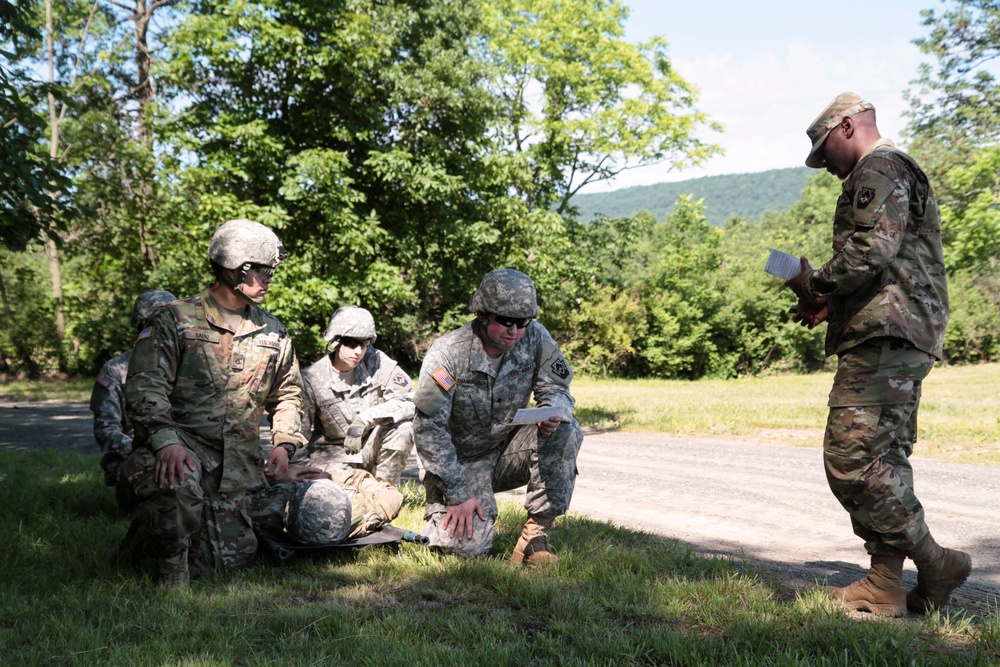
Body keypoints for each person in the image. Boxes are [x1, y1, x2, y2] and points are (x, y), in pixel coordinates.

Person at [786, 93, 971, 616]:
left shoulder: (880, 167)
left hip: (888, 335)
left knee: (850, 459)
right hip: (899, 330)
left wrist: (815, 281)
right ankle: (885, 584)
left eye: (825, 153)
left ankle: (936, 563)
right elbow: (890, 261)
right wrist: (833, 304)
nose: (824, 167)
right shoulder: (892, 169)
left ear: (847, 127)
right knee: (886, 459)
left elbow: (873, 249)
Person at [117, 218, 307, 586]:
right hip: (180, 454)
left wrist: (285, 444)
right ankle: (171, 572)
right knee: (179, 480)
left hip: (237, 466)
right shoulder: (176, 319)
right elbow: (144, 388)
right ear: (237, 269)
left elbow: (288, 393)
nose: (270, 278)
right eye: (264, 270)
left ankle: (151, 539)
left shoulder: (273, 330)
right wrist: (166, 441)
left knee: (226, 562)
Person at [413, 268, 583, 565]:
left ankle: (535, 537)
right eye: (505, 321)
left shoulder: (535, 338)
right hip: (459, 463)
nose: (514, 330)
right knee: (465, 548)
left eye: (522, 322)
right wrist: (456, 495)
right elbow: (429, 429)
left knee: (566, 429)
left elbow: (557, 388)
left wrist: (552, 411)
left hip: (506, 450)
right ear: (482, 314)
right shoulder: (448, 353)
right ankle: (448, 512)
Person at [299, 306, 416, 486]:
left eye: (365, 343)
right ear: (335, 342)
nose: (358, 351)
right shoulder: (312, 378)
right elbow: (299, 435)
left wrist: (365, 418)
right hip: (333, 457)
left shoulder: (376, 361)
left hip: (370, 447)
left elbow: (410, 399)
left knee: (403, 429)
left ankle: (384, 492)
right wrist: (301, 474)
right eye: (352, 343)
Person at [90, 289, 176, 493]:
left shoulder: (187, 366)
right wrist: (156, 448)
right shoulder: (116, 369)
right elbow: (106, 429)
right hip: (135, 455)